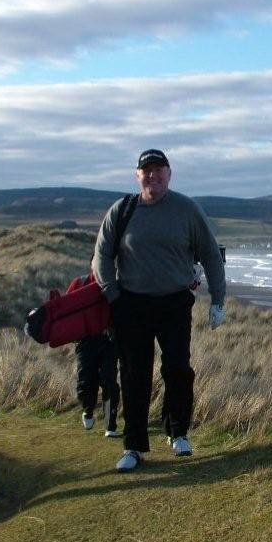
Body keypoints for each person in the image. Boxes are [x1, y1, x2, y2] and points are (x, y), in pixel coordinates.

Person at [92, 148, 226, 473]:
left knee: (178, 369)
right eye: (146, 170)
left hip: (174, 303)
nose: (152, 175)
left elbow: (210, 254)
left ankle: (178, 432)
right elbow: (101, 256)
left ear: (169, 174)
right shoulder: (122, 210)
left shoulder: (187, 209)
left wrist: (218, 300)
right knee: (134, 375)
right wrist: (112, 295)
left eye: (159, 169)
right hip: (131, 304)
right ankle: (133, 446)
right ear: (137, 175)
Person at [75, 326, 121, 437]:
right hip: (84, 339)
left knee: (109, 381)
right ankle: (88, 411)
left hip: (108, 339)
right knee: (85, 382)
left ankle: (110, 425)